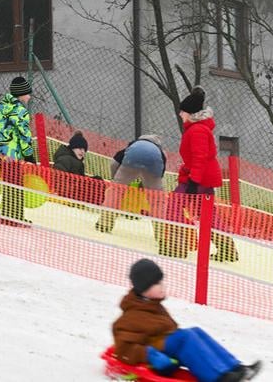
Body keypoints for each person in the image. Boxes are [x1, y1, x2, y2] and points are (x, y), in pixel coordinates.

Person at [112, 258, 261, 382]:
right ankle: (219, 377)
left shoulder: (152, 305)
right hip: (159, 359)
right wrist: (149, 354)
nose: (162, 286)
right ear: (144, 289)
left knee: (195, 331)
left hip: (167, 349)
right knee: (185, 337)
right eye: (156, 284)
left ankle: (235, 367)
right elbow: (123, 349)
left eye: (161, 282)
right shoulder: (131, 316)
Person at [161, 88, 238, 262]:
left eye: (182, 111)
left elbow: (199, 157)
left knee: (175, 205)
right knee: (207, 213)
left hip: (198, 179)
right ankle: (227, 248)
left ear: (190, 113)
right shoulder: (197, 129)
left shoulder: (197, 131)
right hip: (201, 177)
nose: (180, 114)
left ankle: (176, 245)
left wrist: (193, 181)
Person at [97, 135, 168, 233]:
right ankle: (161, 233)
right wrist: (149, 184)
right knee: (157, 200)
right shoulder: (160, 152)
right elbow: (160, 174)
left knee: (115, 192)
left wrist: (115, 179)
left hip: (132, 158)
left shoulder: (134, 145)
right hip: (154, 163)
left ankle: (104, 224)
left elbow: (114, 163)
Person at [0, 76, 34, 227]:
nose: (29, 96)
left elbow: (0, 130)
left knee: (8, 184)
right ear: (21, 94)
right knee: (17, 185)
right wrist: (29, 154)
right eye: (28, 93)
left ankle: (7, 216)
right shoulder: (20, 111)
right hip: (14, 154)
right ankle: (16, 218)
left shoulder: (4, 107)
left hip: (2, 153)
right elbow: (24, 135)